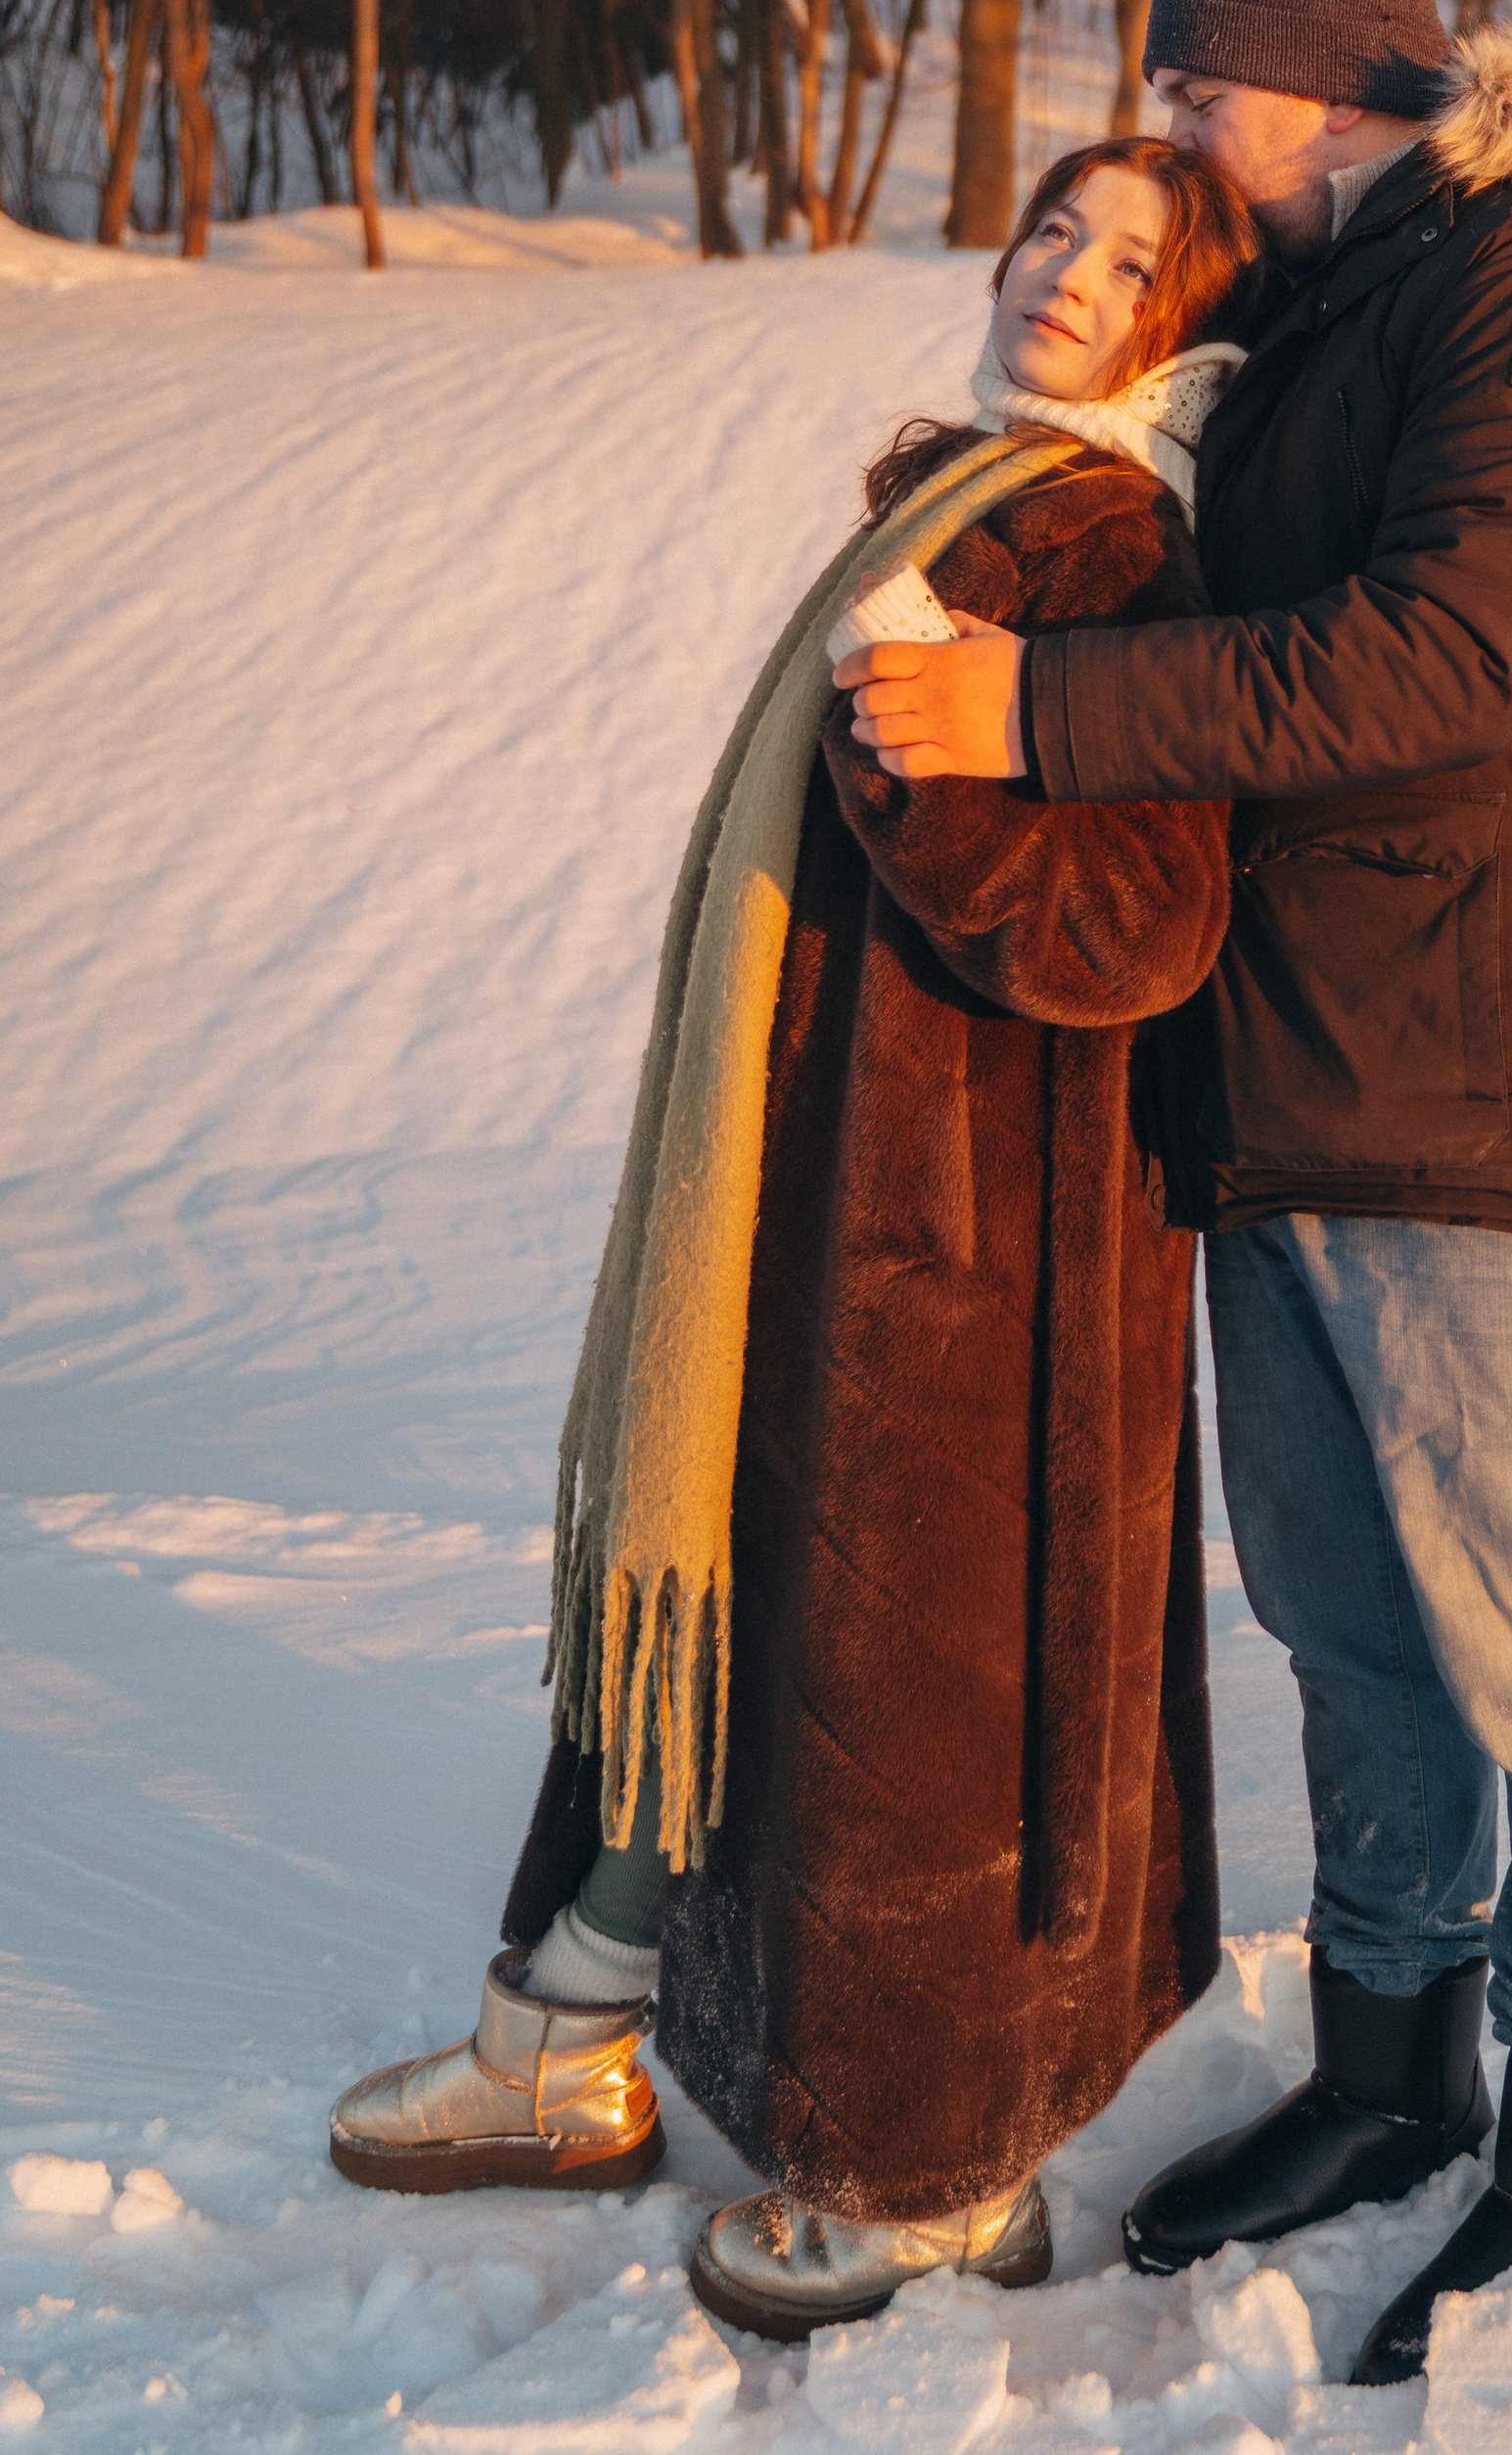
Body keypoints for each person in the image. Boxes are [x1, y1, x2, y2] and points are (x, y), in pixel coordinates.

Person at [842, 0, 1512, 2388]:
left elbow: (1457, 656)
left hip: (1500, 1101)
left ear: (1318, 76)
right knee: (1350, 1629)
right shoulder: (1328, 303)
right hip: (1299, 1088)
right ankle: (1382, 2063)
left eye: (1194, 73)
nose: (1167, 121)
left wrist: (1039, 715)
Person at [329, 137, 1262, 2344]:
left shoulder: (1114, 542)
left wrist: (931, 767)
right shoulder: (964, 495)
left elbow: (1141, 922)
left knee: (906, 1719)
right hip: (817, 1200)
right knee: (718, 1620)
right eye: (1053, 223)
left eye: (1130, 256)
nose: (1066, 268)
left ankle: (933, 2170)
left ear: (1180, 321)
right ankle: (566, 2033)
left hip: (971, 1269)